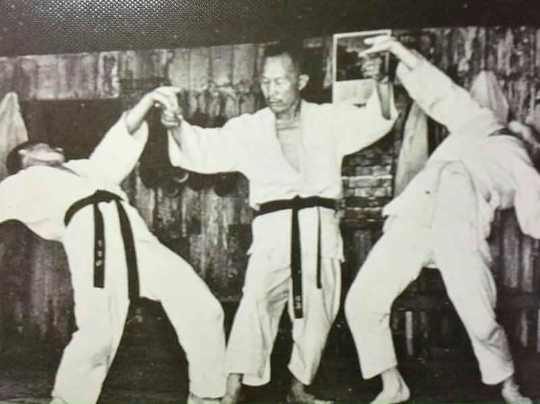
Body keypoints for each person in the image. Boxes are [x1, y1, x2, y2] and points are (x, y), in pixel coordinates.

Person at [161, 40, 398, 404]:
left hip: (318, 226)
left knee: (318, 312)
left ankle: (298, 387)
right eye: (265, 81)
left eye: (280, 81)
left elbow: (375, 121)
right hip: (273, 227)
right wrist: (176, 125)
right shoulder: (250, 129)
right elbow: (204, 147)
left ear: (300, 81)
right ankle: (232, 388)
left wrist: (381, 83)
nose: (271, 90)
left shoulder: (328, 120)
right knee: (255, 304)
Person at [0, 87, 227, 404]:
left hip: (136, 239)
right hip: (93, 240)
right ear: (26, 156)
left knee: (202, 307)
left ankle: (206, 396)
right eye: (47, 146)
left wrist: (150, 99)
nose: (58, 147)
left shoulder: (89, 168)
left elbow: (124, 133)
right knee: (98, 336)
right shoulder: (23, 182)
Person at [344, 36, 535, 404]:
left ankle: (509, 385)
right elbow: (440, 92)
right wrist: (397, 49)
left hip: (460, 223)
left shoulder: (518, 157)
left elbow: (535, 208)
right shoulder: (479, 120)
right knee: (361, 301)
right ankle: (392, 385)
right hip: (416, 212)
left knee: (480, 318)